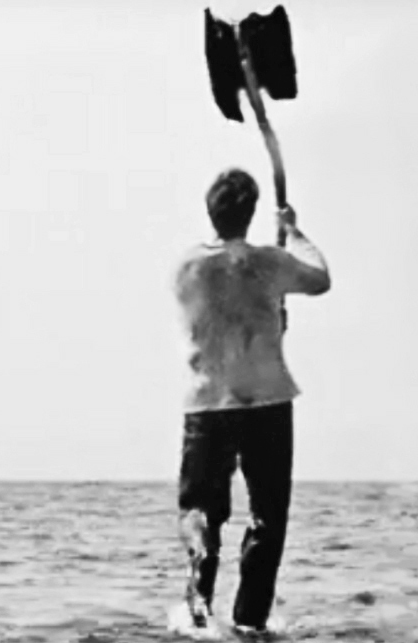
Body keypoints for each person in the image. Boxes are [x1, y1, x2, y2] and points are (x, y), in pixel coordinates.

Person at [172, 168, 330, 636]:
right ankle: (249, 622)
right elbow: (320, 279)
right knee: (267, 518)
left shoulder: (187, 267)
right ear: (252, 212)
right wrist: (294, 232)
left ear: (210, 211)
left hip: (207, 405)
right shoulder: (269, 263)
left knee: (200, 513)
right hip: (266, 401)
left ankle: (199, 610)